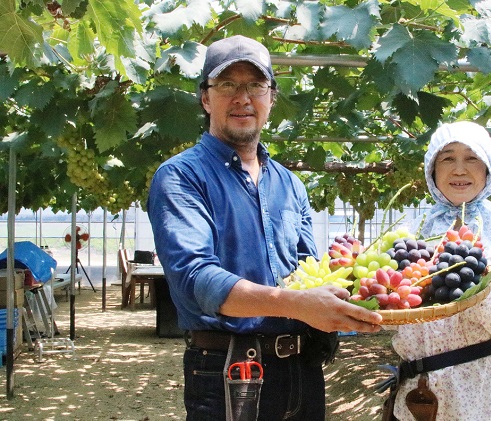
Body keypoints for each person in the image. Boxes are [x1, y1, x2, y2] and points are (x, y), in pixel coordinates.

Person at [147, 35, 382, 421]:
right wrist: (298, 304)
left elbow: (307, 272)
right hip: (228, 370)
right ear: (205, 98)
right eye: (227, 85)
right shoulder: (181, 176)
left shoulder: (290, 184)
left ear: (271, 97)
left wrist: (357, 281)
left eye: (256, 85)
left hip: (302, 369)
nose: (243, 98)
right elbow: (195, 278)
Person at [386, 121, 491, 420]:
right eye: (447, 158)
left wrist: (480, 298)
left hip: (480, 396)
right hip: (415, 394)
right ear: (432, 170)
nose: (459, 170)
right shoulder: (413, 236)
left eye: (472, 158)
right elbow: (396, 316)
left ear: (488, 169)